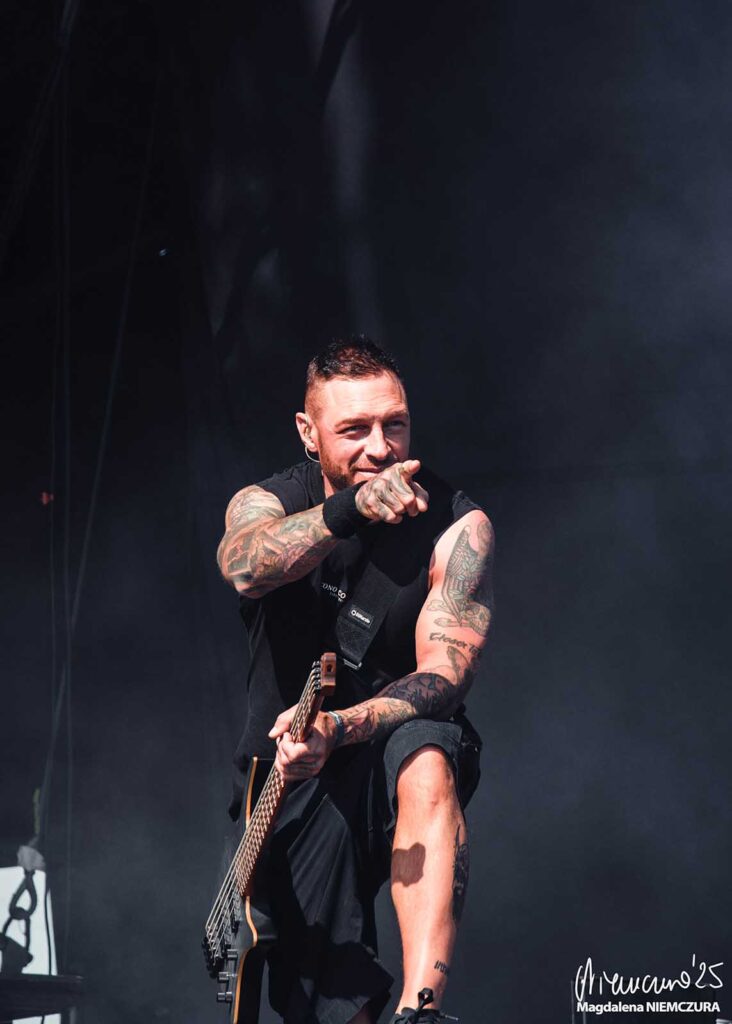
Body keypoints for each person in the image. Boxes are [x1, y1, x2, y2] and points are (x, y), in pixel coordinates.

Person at [217, 337, 494, 1024]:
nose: (380, 447)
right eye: (354, 429)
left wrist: (340, 727)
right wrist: (352, 512)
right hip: (286, 783)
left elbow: (447, 673)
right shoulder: (267, 500)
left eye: (394, 424)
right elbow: (245, 565)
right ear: (308, 432)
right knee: (329, 997)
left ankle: (421, 1008)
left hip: (378, 745)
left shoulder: (457, 527)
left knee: (427, 746)